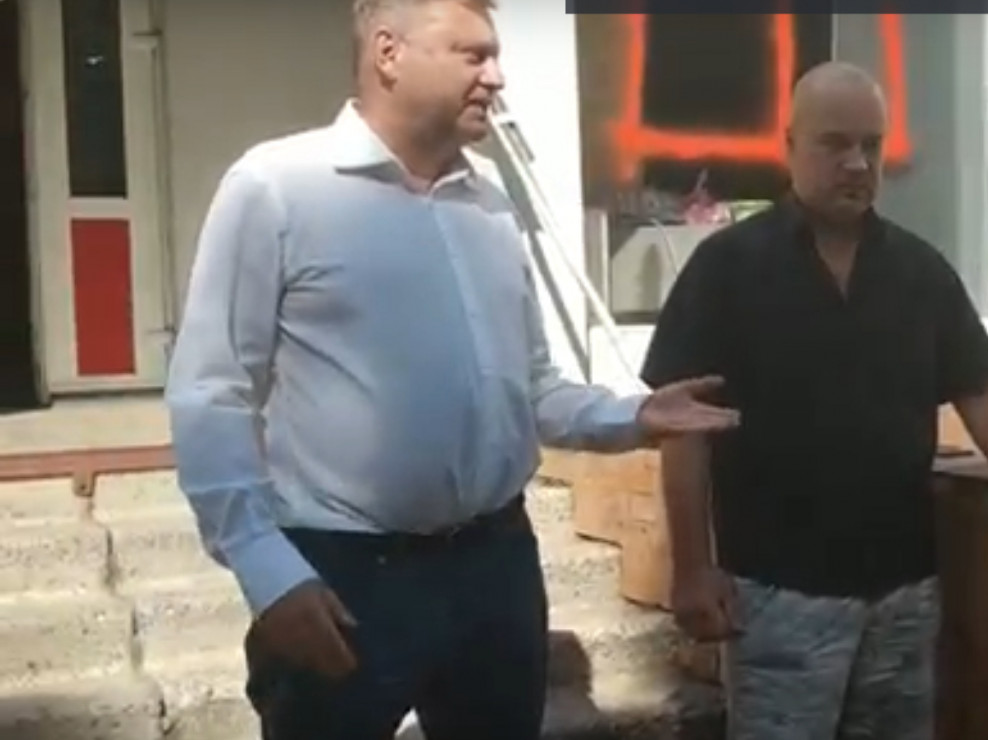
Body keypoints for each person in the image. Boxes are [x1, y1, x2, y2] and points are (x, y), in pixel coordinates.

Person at [165, 1, 737, 738]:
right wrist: (264, 567)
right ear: (388, 53)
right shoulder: (277, 187)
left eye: (494, 56)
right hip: (344, 573)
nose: (496, 78)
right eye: (473, 55)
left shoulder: (489, 200)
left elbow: (534, 387)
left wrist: (635, 416)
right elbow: (212, 391)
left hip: (495, 567)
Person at [639, 61, 988, 740]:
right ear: (789, 146)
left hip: (904, 594)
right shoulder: (727, 269)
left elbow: (979, 389)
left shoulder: (919, 272)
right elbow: (684, 429)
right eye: (835, 143)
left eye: (872, 144)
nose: (858, 163)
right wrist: (691, 567)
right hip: (779, 598)